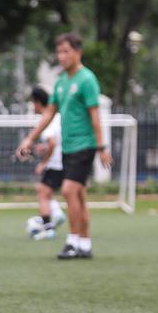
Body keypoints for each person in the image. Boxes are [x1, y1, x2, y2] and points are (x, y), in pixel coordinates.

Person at [16, 33, 112, 259]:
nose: (61, 56)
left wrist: (102, 147)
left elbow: (95, 116)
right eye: (59, 52)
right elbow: (48, 114)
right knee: (78, 197)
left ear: (78, 52)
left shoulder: (87, 79)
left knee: (68, 191)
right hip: (68, 147)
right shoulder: (60, 82)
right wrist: (30, 139)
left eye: (66, 51)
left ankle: (72, 242)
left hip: (84, 144)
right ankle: (85, 245)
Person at [28, 86, 65, 240]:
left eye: (33, 103)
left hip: (56, 164)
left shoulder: (47, 119)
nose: (33, 107)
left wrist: (44, 162)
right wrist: (43, 149)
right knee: (48, 192)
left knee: (42, 193)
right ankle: (56, 214)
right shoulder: (57, 117)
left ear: (38, 102)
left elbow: (52, 143)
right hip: (64, 161)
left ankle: (48, 228)